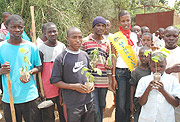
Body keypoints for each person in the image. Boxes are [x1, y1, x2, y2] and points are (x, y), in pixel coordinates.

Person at [0, 14, 42, 122]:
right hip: (10, 98)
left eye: (20, 27)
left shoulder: (31, 47)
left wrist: (30, 72)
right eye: (13, 27)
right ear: (6, 27)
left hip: (30, 97)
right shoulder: (1, 47)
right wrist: (1, 71)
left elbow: (39, 67)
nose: (17, 30)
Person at [50, 27, 94, 122]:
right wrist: (74, 87)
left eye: (80, 37)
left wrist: (91, 84)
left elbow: (89, 74)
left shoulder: (84, 54)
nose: (78, 40)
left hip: (88, 100)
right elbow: (55, 81)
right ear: (67, 39)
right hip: (72, 103)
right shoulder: (61, 58)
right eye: (74, 37)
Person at [109, 10, 138, 122]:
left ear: (131, 20)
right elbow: (114, 58)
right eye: (123, 21)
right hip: (120, 73)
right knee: (120, 103)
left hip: (133, 72)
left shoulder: (135, 36)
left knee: (129, 100)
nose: (126, 23)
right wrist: (113, 77)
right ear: (118, 22)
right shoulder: (115, 38)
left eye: (128, 20)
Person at [135, 51, 180, 122]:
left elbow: (176, 103)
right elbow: (141, 103)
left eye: (161, 66)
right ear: (150, 64)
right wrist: (147, 90)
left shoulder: (172, 80)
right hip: (147, 118)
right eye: (154, 66)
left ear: (166, 64)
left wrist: (163, 91)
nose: (158, 69)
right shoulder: (144, 80)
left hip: (166, 118)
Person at [82, 16, 111, 122]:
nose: (101, 28)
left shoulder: (106, 43)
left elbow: (107, 60)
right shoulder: (85, 41)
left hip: (103, 81)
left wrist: (108, 66)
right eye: (98, 25)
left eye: (103, 26)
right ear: (93, 27)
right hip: (90, 81)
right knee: (94, 109)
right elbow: (80, 60)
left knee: (102, 106)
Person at [39, 22, 66, 122]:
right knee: (48, 116)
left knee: (63, 113)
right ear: (44, 33)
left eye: (54, 31)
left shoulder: (62, 47)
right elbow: (39, 69)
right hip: (47, 88)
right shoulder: (41, 49)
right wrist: (40, 89)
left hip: (61, 86)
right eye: (49, 32)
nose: (52, 34)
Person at [129, 46, 151, 122]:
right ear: (138, 57)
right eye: (141, 56)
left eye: (146, 56)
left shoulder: (153, 70)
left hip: (150, 101)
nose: (144, 58)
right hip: (138, 101)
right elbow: (132, 87)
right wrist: (131, 103)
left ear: (150, 57)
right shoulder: (136, 71)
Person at [164, 26, 180, 122]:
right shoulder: (158, 53)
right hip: (163, 93)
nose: (171, 38)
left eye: (174, 36)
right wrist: (169, 70)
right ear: (163, 36)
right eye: (168, 35)